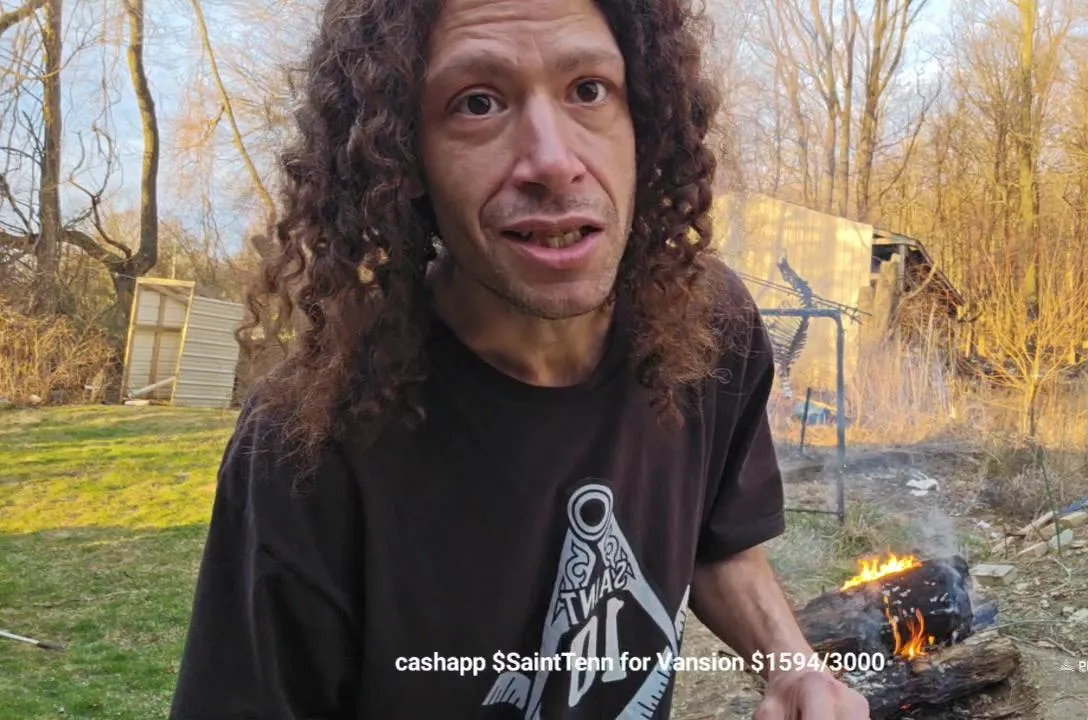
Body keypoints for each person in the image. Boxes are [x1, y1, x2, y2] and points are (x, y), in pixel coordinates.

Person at [169, 0, 871, 717]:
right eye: (477, 103)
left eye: (589, 90)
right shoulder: (306, 444)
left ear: (645, 122)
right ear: (404, 157)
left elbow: (717, 543)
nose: (553, 163)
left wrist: (793, 670)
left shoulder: (708, 328)